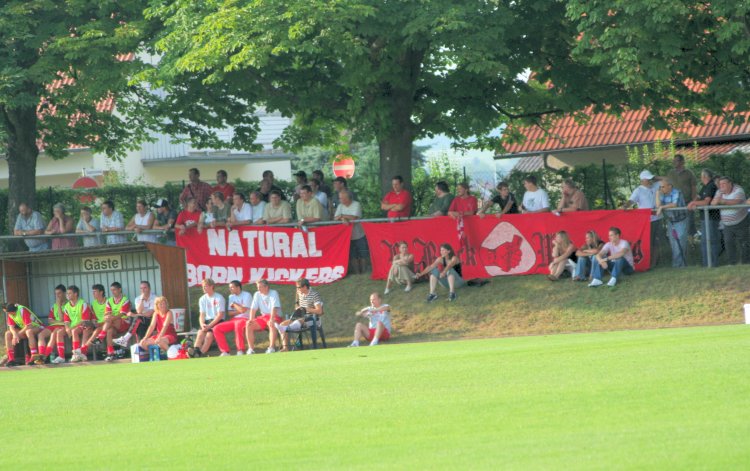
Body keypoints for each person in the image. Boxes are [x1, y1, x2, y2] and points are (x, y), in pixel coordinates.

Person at [623, 170, 662, 267]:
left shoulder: (655, 185)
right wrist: (624, 206)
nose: (650, 181)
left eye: (650, 179)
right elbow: (631, 201)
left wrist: (655, 177)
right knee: (647, 242)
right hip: (646, 221)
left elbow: (667, 180)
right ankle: (647, 262)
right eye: (648, 179)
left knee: (656, 242)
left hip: (657, 218)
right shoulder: (638, 190)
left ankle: (654, 263)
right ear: (642, 180)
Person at [275, 278, 323, 352]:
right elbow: (297, 307)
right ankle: (285, 348)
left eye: (298, 287)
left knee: (299, 321)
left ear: (304, 287)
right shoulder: (299, 294)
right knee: (282, 324)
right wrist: (298, 309)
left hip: (312, 319)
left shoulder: (314, 294)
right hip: (300, 318)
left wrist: (306, 309)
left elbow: (319, 311)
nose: (297, 289)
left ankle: (290, 327)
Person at [711, 176, 749, 264]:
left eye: (724, 183)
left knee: (744, 243)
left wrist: (722, 201)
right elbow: (713, 203)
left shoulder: (738, 190)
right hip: (727, 224)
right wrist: (720, 200)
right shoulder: (719, 191)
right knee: (728, 243)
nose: (721, 186)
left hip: (741, 222)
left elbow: (736, 202)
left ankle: (746, 263)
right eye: (720, 184)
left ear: (730, 184)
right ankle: (732, 263)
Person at [687, 169, 721, 266]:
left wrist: (693, 203)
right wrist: (694, 201)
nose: (700, 178)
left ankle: (712, 264)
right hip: (705, 218)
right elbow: (699, 197)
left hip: (711, 218)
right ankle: (706, 263)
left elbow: (706, 201)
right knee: (705, 241)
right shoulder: (705, 187)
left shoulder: (711, 186)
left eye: (701, 176)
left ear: (705, 177)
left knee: (711, 241)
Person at [213, 280, 252, 356]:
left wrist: (234, 304)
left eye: (232, 287)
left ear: (238, 287)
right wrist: (240, 309)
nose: (230, 289)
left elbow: (244, 310)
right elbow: (230, 313)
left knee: (238, 325)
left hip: (245, 319)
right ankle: (225, 351)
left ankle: (240, 350)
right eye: (229, 288)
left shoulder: (247, 295)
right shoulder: (231, 296)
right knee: (216, 328)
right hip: (234, 319)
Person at [656, 179, 688, 267]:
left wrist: (662, 207)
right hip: (671, 222)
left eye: (662, 187)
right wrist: (657, 194)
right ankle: (680, 265)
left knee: (680, 244)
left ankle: (678, 265)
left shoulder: (677, 192)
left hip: (681, 221)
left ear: (669, 186)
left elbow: (674, 204)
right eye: (660, 187)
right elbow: (658, 206)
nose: (661, 189)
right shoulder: (662, 194)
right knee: (674, 244)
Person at [244, 279, 282, 354]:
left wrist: (271, 319)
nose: (258, 289)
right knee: (248, 324)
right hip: (263, 317)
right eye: (257, 287)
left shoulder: (273, 293)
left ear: (266, 287)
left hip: (275, 316)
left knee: (272, 324)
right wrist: (251, 320)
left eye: (260, 287)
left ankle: (271, 348)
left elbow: (274, 308)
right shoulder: (257, 294)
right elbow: (253, 309)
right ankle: (251, 349)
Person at [113, 281, 156, 348]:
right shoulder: (138, 299)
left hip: (152, 321)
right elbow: (139, 311)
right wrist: (142, 299)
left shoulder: (155, 298)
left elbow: (149, 314)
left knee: (137, 318)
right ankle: (141, 347)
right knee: (139, 323)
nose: (143, 290)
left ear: (149, 288)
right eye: (141, 288)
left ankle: (125, 339)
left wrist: (135, 315)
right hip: (142, 321)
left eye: (145, 288)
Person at [334, 190, 368, 273]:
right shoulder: (340, 206)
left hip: (359, 234)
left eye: (341, 198)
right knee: (352, 256)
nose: (340, 200)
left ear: (347, 198)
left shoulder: (356, 204)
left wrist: (342, 216)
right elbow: (335, 218)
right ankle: (357, 273)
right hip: (347, 236)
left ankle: (364, 272)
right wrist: (342, 218)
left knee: (363, 254)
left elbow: (354, 217)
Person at [98, 282, 132, 362]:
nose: (113, 292)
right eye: (111, 290)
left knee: (112, 319)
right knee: (109, 331)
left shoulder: (125, 300)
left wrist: (110, 318)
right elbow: (107, 313)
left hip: (124, 323)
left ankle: (101, 335)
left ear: (119, 289)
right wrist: (107, 317)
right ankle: (110, 353)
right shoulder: (109, 300)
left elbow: (122, 314)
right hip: (112, 324)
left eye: (114, 290)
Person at [36, 284, 68, 364]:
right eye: (56, 294)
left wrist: (60, 306)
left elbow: (62, 319)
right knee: (40, 335)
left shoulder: (68, 304)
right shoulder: (54, 306)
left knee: (54, 334)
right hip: (54, 326)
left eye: (59, 293)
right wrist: (59, 321)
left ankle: (44, 357)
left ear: (64, 293)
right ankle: (41, 355)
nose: (57, 296)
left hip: (63, 326)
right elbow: (50, 320)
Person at [193, 278, 225, 357]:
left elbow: (220, 315)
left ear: (212, 286)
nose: (203, 288)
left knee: (209, 335)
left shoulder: (219, 297)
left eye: (206, 286)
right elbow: (202, 315)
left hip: (217, 320)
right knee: (200, 333)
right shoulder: (202, 299)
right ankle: (195, 352)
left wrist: (209, 326)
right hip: (207, 322)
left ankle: (200, 354)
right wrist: (202, 324)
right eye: (203, 286)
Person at [667, 154, 697, 235]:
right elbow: (666, 185)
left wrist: (694, 201)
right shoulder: (671, 173)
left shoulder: (689, 173)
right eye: (673, 161)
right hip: (675, 204)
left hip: (687, 202)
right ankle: (679, 240)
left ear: (682, 162)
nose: (674, 162)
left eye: (676, 160)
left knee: (690, 222)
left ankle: (692, 241)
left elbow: (694, 187)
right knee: (676, 222)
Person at [63, 285, 95, 363]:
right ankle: (64, 356)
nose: (67, 295)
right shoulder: (66, 306)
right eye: (67, 294)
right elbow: (66, 321)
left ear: (76, 294)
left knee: (78, 330)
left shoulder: (83, 304)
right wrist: (67, 328)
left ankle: (80, 353)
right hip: (75, 327)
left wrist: (71, 328)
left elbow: (85, 321)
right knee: (60, 332)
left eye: (70, 293)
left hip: (86, 324)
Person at [81, 284, 109, 354]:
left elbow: (109, 317)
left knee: (97, 331)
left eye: (95, 292)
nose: (93, 294)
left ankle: (83, 349)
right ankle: (83, 354)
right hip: (97, 325)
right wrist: (93, 321)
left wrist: (99, 323)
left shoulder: (108, 301)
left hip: (107, 324)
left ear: (101, 292)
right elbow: (94, 316)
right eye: (93, 292)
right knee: (86, 330)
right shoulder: (93, 303)